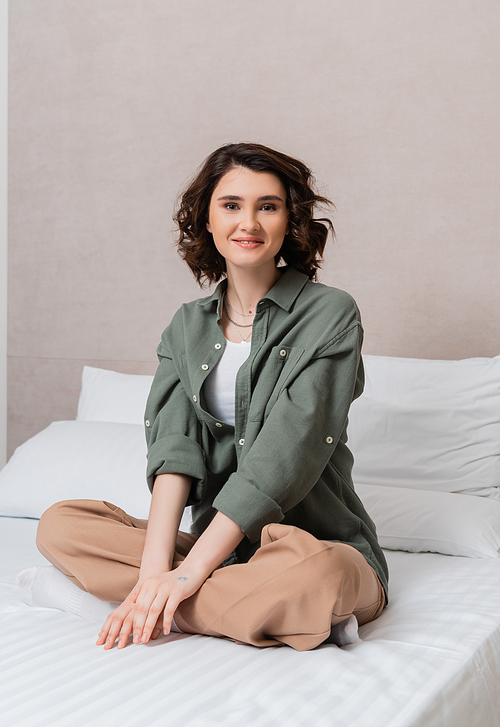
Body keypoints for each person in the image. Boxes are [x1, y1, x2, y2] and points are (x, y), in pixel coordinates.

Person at [17, 143, 388, 651]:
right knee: (61, 526)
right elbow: (175, 450)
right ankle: (255, 611)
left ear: (289, 221)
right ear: (207, 221)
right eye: (231, 205)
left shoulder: (331, 314)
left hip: (317, 547)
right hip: (219, 555)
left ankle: (115, 602)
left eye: (269, 206)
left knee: (317, 579)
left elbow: (286, 454)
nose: (249, 222)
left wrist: (187, 577)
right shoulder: (186, 326)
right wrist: (157, 573)